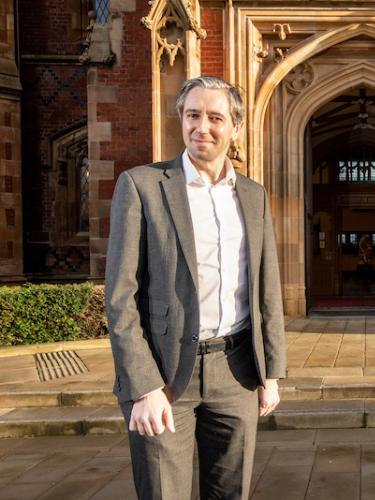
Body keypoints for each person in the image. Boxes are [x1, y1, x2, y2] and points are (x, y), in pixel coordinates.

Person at [105, 76, 286, 500]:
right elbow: (120, 298)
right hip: (164, 375)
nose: (201, 127)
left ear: (236, 128)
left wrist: (271, 372)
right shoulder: (142, 186)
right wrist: (143, 386)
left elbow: (266, 289)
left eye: (215, 117)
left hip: (237, 371)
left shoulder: (253, 195)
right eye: (192, 115)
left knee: (230, 494)